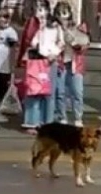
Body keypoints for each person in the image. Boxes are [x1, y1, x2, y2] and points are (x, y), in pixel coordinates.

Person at [21, 3, 63, 134]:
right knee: (34, 91)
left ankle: (47, 123)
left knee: (48, 93)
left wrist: (54, 54)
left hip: (50, 61)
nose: (40, 12)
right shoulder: (32, 24)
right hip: (36, 60)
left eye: (43, 9)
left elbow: (61, 42)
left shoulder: (55, 25)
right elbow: (29, 41)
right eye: (38, 9)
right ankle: (32, 122)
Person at [53, 0, 89, 127]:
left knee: (77, 92)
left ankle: (78, 118)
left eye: (65, 12)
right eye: (59, 13)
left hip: (75, 64)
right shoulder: (54, 28)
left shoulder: (77, 28)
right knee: (60, 92)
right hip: (60, 63)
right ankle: (62, 117)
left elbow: (84, 45)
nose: (62, 16)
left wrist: (75, 42)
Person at [0, 9, 18, 123]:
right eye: (0, 17)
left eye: (5, 17)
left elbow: (14, 48)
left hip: (4, 66)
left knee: (3, 87)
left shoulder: (11, 32)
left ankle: (1, 109)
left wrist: (13, 66)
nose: (2, 19)